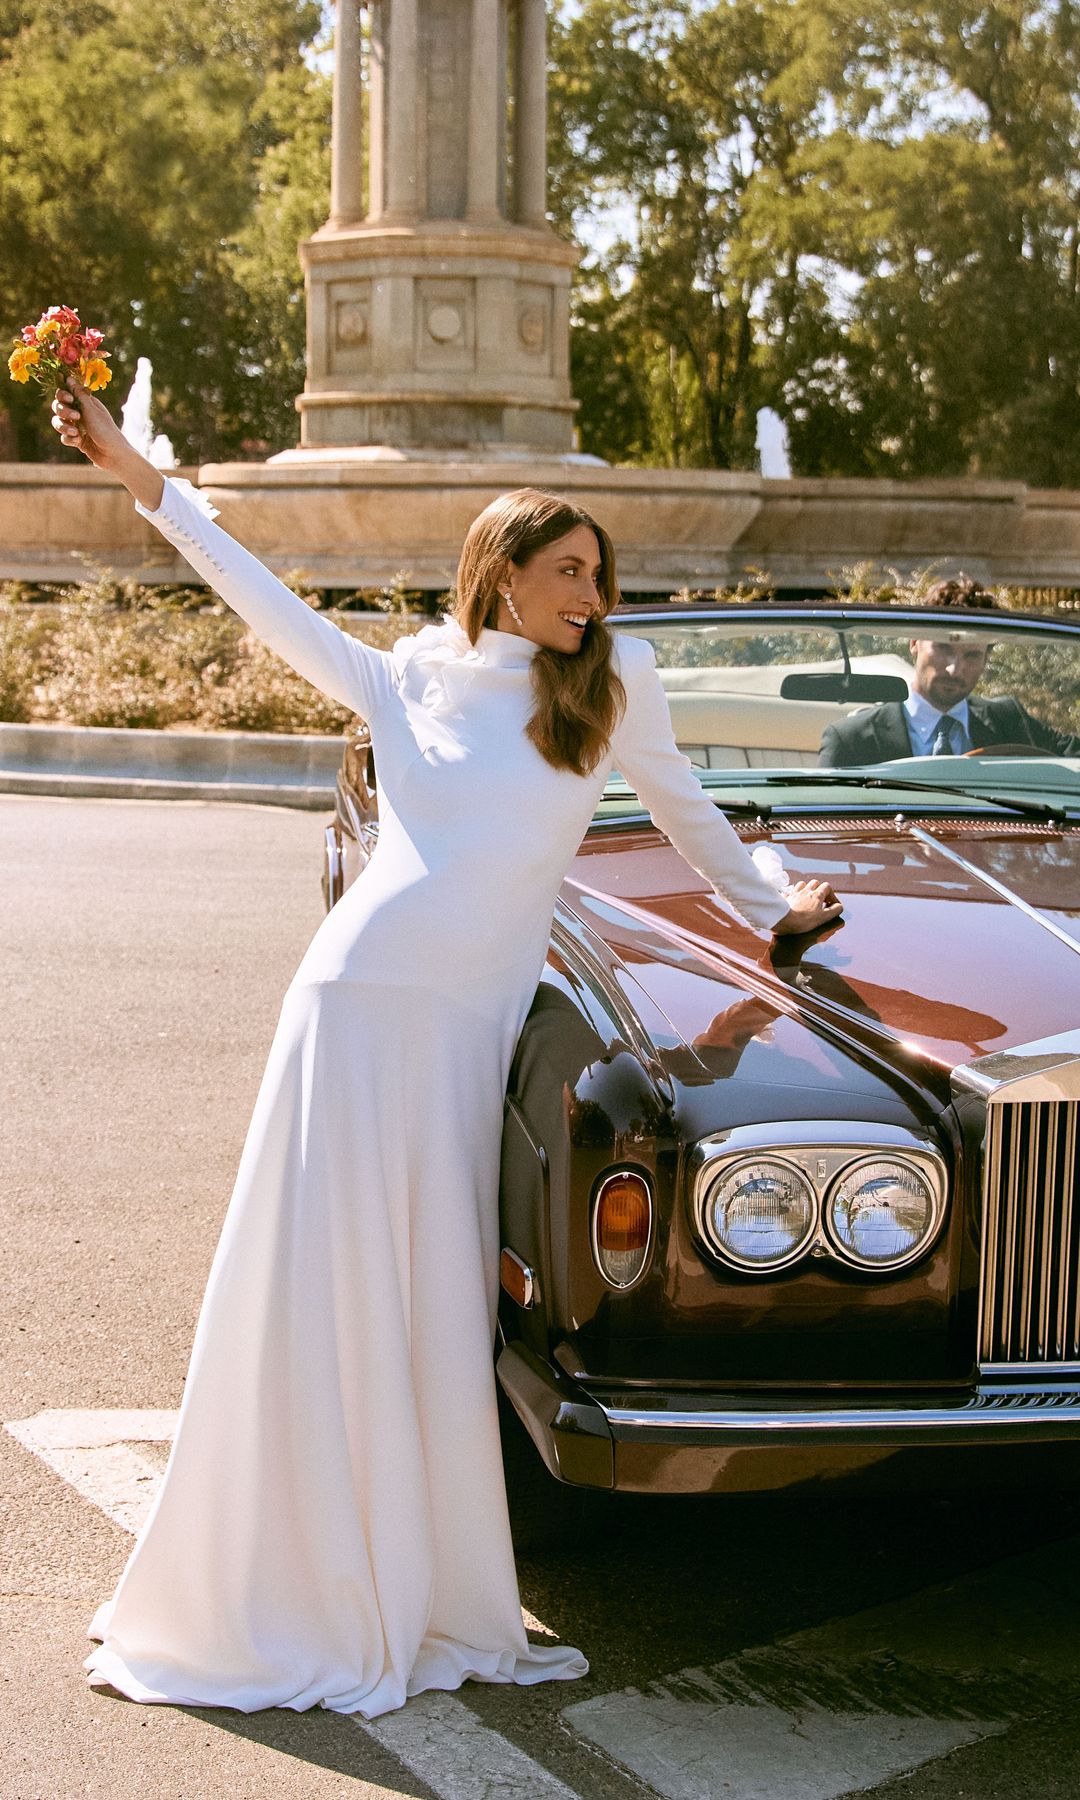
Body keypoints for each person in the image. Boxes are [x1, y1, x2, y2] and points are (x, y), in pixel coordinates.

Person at [51, 375, 842, 1718]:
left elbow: (692, 815)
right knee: (315, 1289)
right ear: (503, 572)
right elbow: (265, 599)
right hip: (356, 1002)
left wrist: (778, 911)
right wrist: (140, 473)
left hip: (464, 1030)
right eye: (569, 569)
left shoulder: (612, 686)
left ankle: (408, 1579)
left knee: (426, 1306)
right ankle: (283, 1585)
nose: (593, 592)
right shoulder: (411, 674)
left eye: (600, 571)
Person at [819, 582, 1080, 767]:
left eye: (972, 655)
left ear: (986, 658)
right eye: (944, 648)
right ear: (914, 643)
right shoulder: (851, 739)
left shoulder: (1010, 720)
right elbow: (825, 829)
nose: (955, 669)